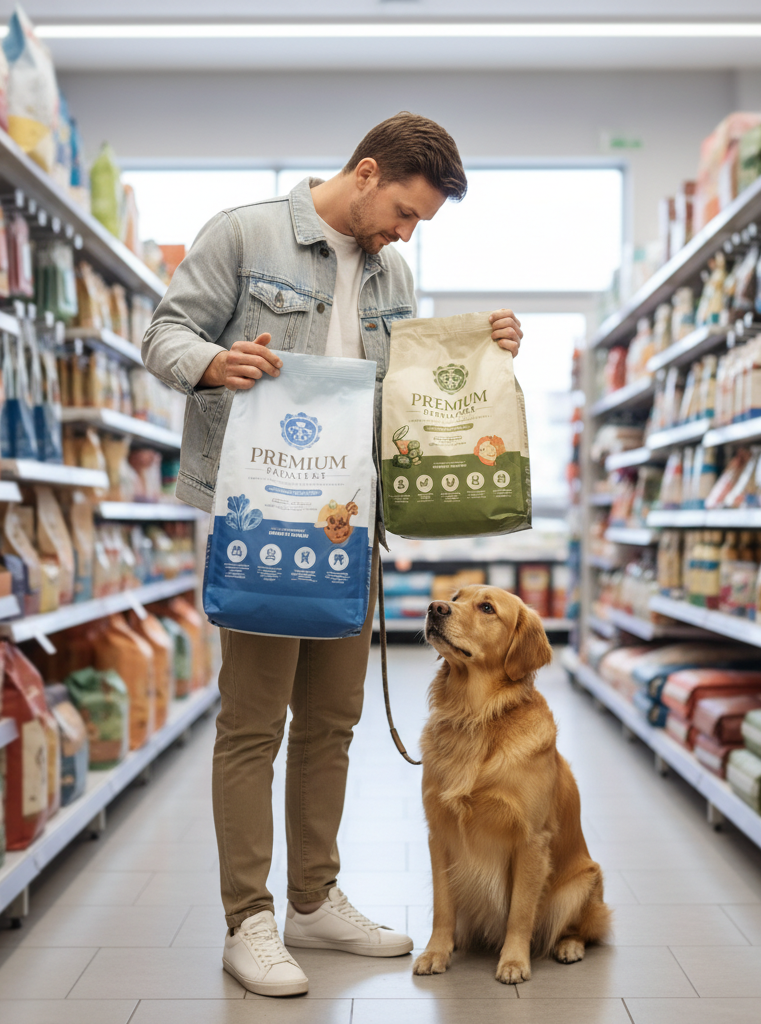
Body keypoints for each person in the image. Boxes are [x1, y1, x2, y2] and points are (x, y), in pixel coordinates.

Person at [142, 111, 523, 998]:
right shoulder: (246, 234)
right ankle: (251, 920)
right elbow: (164, 333)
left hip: (351, 526)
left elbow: (415, 391)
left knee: (331, 722)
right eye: (402, 211)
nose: (405, 233)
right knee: (252, 725)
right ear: (365, 171)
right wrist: (212, 363)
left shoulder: (391, 273)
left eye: (418, 223)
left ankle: (312, 899)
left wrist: (485, 353)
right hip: (266, 518)